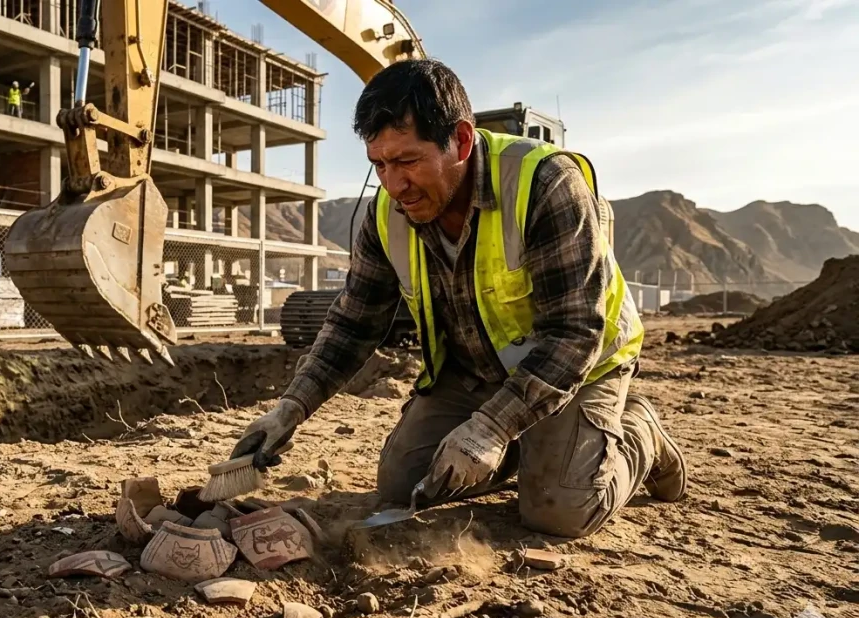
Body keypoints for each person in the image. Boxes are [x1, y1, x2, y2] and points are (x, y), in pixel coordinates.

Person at [232, 59, 687, 539]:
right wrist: (291, 408)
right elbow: (352, 325)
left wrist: (490, 428)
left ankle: (640, 435)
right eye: (379, 164)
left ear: (462, 141)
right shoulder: (387, 215)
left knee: (558, 509)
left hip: (577, 366)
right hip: (477, 370)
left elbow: (576, 333)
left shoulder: (544, 184)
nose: (393, 184)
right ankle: (529, 441)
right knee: (401, 483)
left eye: (408, 161)